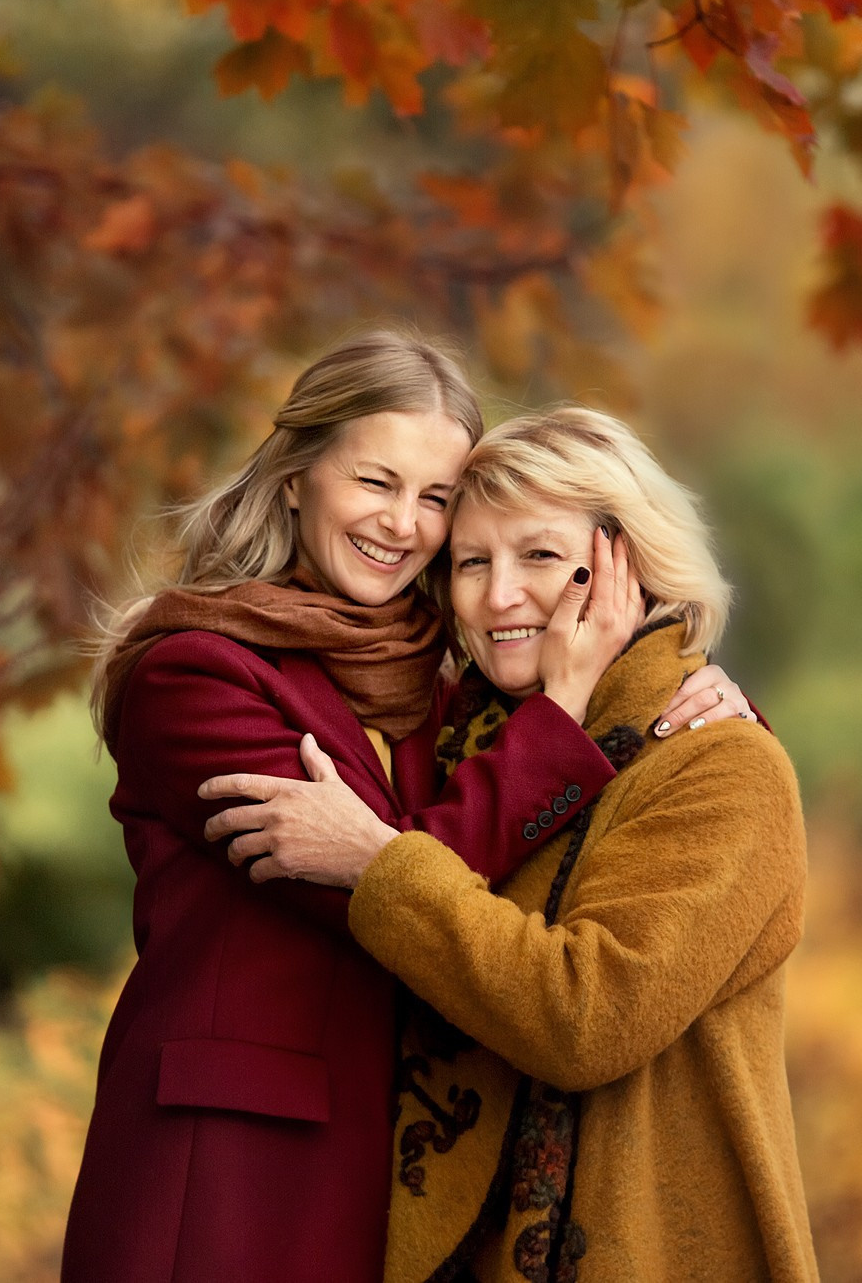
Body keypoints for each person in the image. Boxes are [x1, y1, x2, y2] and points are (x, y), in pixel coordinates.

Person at [63, 334, 753, 1283]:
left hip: (389, 1168)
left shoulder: (433, 681)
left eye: (434, 498)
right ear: (298, 474)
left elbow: (439, 853)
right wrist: (560, 716)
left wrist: (705, 698)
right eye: (376, 481)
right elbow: (385, 880)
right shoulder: (196, 673)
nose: (403, 523)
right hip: (229, 1164)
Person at [210, 406, 819, 1282]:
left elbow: (588, 1018)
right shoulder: (464, 744)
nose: (498, 597)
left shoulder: (720, 766)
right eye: (469, 563)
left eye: (538, 556)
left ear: (630, 562)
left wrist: (378, 860)